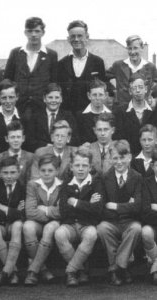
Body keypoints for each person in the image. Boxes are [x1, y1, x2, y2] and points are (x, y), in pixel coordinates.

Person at [55, 147, 104, 287]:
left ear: (90, 167)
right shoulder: (66, 185)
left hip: (87, 224)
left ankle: (70, 271)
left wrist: (75, 202)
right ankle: (81, 270)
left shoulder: (96, 184)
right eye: (77, 165)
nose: (81, 169)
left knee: (91, 234)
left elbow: (97, 210)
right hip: (69, 224)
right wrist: (88, 204)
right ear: (71, 167)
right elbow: (64, 211)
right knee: (59, 234)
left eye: (84, 165)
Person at [97, 140, 142, 286]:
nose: (119, 162)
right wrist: (126, 205)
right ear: (110, 159)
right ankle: (124, 268)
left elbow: (138, 206)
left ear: (129, 157)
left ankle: (117, 267)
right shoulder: (104, 177)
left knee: (136, 228)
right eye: (115, 158)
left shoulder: (137, 177)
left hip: (130, 221)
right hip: (111, 221)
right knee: (102, 228)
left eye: (122, 158)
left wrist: (115, 206)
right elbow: (102, 207)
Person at [4, 17, 58, 119]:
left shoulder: (51, 55)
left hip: (42, 108)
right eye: (30, 31)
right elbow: (7, 81)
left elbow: (53, 83)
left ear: (43, 32)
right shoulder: (16, 53)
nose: (33, 34)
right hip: (19, 107)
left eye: (37, 31)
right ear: (25, 32)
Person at [23, 154, 62, 286]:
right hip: (38, 221)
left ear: (56, 171)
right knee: (28, 226)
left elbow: (61, 212)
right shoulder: (33, 185)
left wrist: (44, 209)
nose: (46, 174)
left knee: (50, 228)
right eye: (43, 170)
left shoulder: (62, 186)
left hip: (55, 223)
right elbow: (30, 212)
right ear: (39, 171)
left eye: (50, 170)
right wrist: (51, 212)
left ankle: (33, 271)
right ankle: (43, 269)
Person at [0, 156, 26, 285]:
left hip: (14, 224)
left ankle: (5, 273)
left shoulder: (23, 188)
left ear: (18, 173)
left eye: (12, 172)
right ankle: (12, 272)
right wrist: (14, 211)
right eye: (5, 173)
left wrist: (3, 208)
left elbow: (22, 214)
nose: (9, 176)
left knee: (17, 226)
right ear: (0, 173)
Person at [57, 20, 106, 113]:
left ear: (87, 37)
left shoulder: (98, 62)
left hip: (91, 114)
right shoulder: (61, 64)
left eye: (79, 36)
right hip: (68, 114)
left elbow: (102, 89)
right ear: (68, 39)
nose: (76, 39)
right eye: (73, 36)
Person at [25, 83, 79, 152]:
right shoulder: (36, 117)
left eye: (57, 97)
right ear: (44, 99)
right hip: (43, 154)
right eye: (50, 97)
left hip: (63, 153)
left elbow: (75, 140)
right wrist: (46, 146)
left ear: (61, 99)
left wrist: (59, 145)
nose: (53, 100)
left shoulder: (68, 116)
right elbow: (29, 141)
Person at [107, 35, 157, 107]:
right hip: (122, 110)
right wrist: (113, 92)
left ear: (142, 48)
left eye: (135, 48)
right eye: (129, 49)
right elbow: (104, 78)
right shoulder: (118, 65)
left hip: (143, 109)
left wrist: (152, 95)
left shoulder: (150, 67)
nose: (132, 52)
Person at [115, 73, 157, 155]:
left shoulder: (153, 112)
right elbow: (118, 138)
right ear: (130, 91)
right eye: (134, 88)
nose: (138, 90)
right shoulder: (120, 112)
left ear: (146, 89)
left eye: (141, 87)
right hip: (128, 157)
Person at [0, 120, 33, 185]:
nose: (16, 140)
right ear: (6, 139)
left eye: (18, 137)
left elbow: (31, 181)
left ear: (23, 138)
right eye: (12, 137)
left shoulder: (30, 157)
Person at [76, 79, 112, 144]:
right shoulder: (80, 116)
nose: (97, 98)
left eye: (100, 95)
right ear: (89, 96)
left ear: (106, 95)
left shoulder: (112, 115)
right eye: (94, 95)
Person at [141, 151, 157, 284]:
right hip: (152, 223)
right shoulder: (146, 183)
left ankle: (155, 267)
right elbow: (145, 211)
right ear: (153, 166)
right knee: (146, 232)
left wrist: (155, 206)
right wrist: (151, 208)